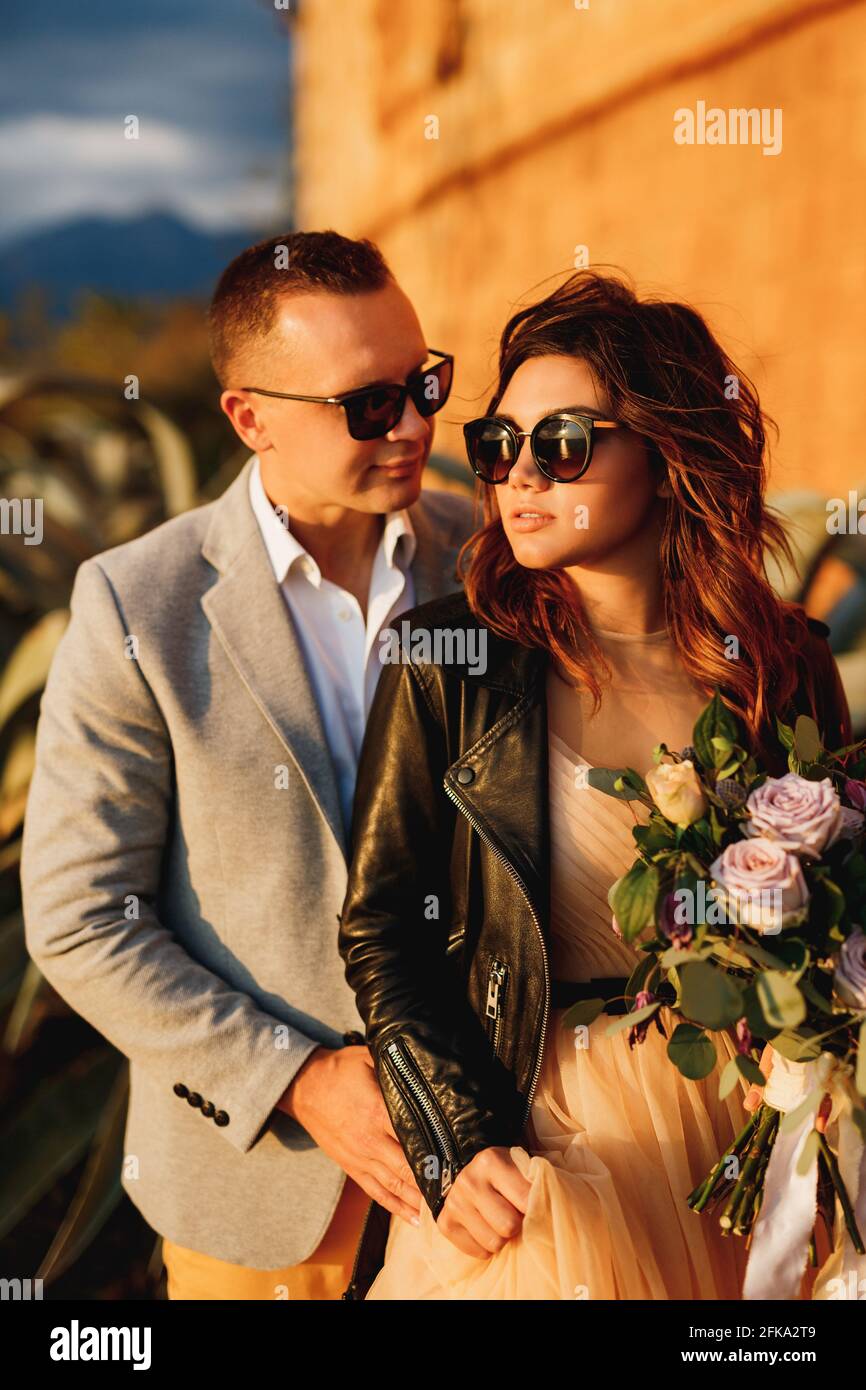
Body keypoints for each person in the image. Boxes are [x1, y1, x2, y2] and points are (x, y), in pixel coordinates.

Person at [337, 268, 852, 1299]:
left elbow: (843, 903)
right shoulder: (444, 658)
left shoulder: (780, 659)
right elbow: (382, 925)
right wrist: (452, 1144)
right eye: (499, 444)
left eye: (562, 442)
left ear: (666, 457)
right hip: (541, 1152)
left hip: (755, 1134)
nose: (520, 474)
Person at [21, 229, 476, 1300]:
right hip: (266, 1202)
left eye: (424, 383)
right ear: (249, 416)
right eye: (367, 404)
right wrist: (302, 1080)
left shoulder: (491, 561)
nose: (412, 424)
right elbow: (81, 919)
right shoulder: (139, 603)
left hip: (498, 1176)